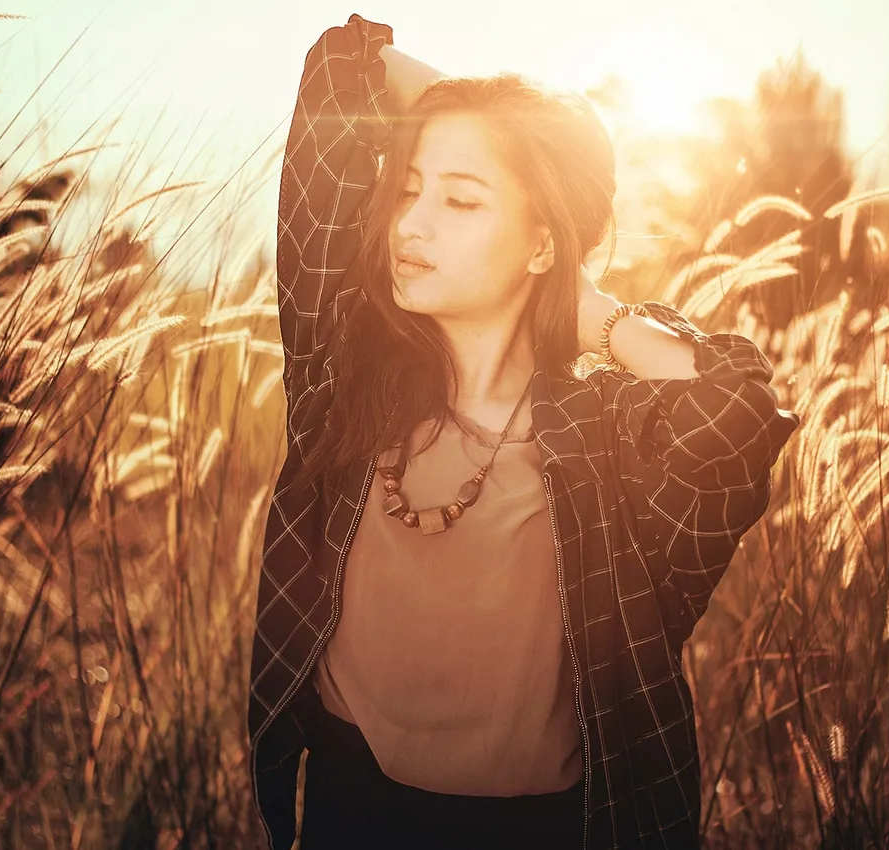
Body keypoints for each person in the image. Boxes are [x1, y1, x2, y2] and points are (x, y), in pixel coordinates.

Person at [247, 13, 801, 850]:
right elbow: (342, 65)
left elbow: (739, 413)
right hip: (343, 814)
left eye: (461, 199)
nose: (410, 225)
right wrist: (475, 112)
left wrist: (592, 315)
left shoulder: (604, 445)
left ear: (544, 241)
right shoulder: (345, 383)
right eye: (408, 189)